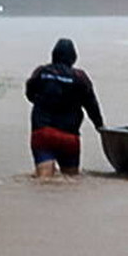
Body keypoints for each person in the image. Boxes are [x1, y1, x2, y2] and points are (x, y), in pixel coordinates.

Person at [25, 38, 104, 177]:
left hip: (43, 132)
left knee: (44, 179)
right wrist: (100, 127)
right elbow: (92, 106)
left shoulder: (41, 72)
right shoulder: (80, 78)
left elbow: (30, 93)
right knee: (71, 179)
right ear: (73, 58)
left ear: (53, 55)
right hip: (69, 137)